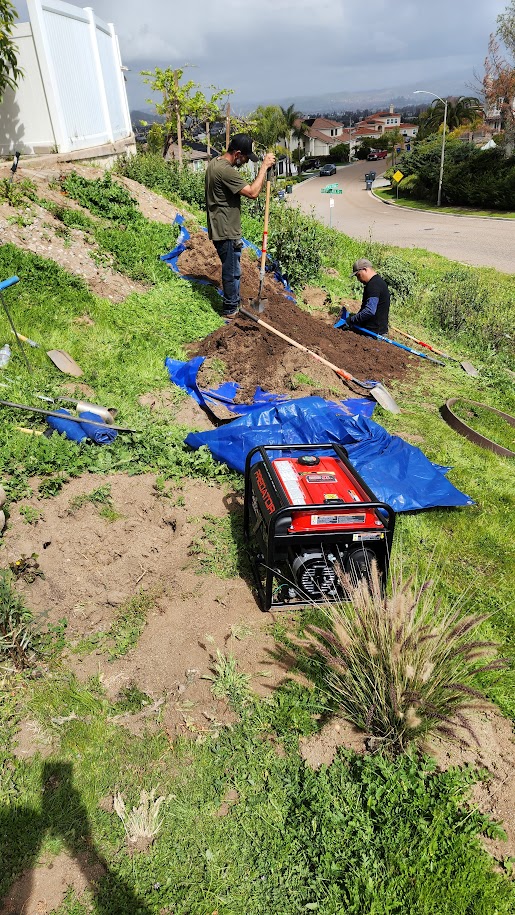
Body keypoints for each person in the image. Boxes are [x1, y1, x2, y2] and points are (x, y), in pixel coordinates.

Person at [205, 134, 276, 319]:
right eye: (245, 158)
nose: (245, 162)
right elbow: (252, 192)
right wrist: (263, 168)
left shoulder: (214, 163)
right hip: (226, 229)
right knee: (232, 271)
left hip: (219, 226)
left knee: (233, 269)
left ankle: (234, 303)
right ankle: (230, 310)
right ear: (237, 154)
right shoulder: (226, 171)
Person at [339, 258, 390, 334]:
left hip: (372, 332)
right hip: (377, 330)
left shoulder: (373, 285)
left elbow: (369, 311)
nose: (358, 279)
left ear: (365, 269)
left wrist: (351, 320)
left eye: (358, 275)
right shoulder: (378, 282)